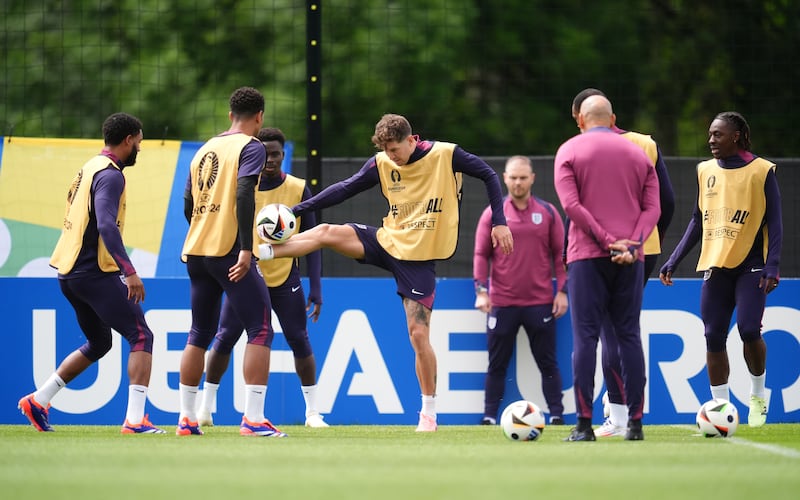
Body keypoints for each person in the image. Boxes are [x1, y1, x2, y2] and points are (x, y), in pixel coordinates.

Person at [257, 113, 514, 432]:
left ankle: (428, 413)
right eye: (387, 150)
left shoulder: (446, 155)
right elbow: (345, 188)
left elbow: (489, 174)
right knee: (325, 231)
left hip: (419, 259)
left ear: (412, 139)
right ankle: (263, 252)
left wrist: (500, 221)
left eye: (395, 149)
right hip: (386, 240)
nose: (392, 156)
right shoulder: (382, 163)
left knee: (419, 335)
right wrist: (295, 210)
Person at [18, 113, 165, 434]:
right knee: (142, 336)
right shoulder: (111, 175)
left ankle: (39, 399)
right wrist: (129, 272)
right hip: (93, 271)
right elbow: (106, 224)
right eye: (139, 142)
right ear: (128, 140)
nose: (139, 148)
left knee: (99, 342)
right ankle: (136, 420)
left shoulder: (87, 168)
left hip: (68, 273)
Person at [196, 127, 328, 428]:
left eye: (277, 154)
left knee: (299, 339)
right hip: (245, 274)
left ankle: (312, 412)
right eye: (266, 154)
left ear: (284, 155)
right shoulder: (244, 185)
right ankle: (205, 408)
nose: (271, 159)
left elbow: (313, 241)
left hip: (284, 278)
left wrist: (316, 288)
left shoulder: (297, 187)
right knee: (225, 337)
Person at [659, 111, 782, 428]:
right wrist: (674, 259)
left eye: (718, 134)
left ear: (737, 136)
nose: (711, 140)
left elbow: (775, 222)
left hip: (752, 265)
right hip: (715, 264)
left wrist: (773, 265)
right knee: (713, 335)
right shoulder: (705, 171)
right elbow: (698, 220)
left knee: (749, 330)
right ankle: (720, 406)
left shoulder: (761, 170)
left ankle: (757, 397)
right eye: (710, 134)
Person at [179, 87, 286, 437]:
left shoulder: (204, 149)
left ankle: (186, 418)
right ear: (260, 117)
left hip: (197, 250)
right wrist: (244, 247)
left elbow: (187, 201)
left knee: (199, 333)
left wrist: (204, 228)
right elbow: (243, 192)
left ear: (229, 116)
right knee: (261, 328)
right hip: (229, 251)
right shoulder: (251, 146)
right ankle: (253, 419)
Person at [569, 88, 676, 438]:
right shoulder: (644, 145)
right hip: (642, 249)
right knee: (625, 332)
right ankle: (632, 419)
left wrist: (600, 241)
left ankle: (612, 416)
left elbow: (574, 208)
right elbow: (666, 202)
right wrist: (638, 240)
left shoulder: (575, 148)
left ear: (580, 119)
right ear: (612, 117)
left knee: (599, 334)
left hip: (591, 251)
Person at [473, 155, 568, 426]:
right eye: (513, 177)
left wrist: (563, 291)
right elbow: (481, 255)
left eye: (522, 177)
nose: (517, 182)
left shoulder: (548, 212)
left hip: (540, 302)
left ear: (532, 179)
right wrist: (481, 290)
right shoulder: (493, 213)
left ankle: (558, 414)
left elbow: (561, 256)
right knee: (496, 363)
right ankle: (490, 416)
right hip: (502, 302)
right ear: (504, 178)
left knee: (548, 363)